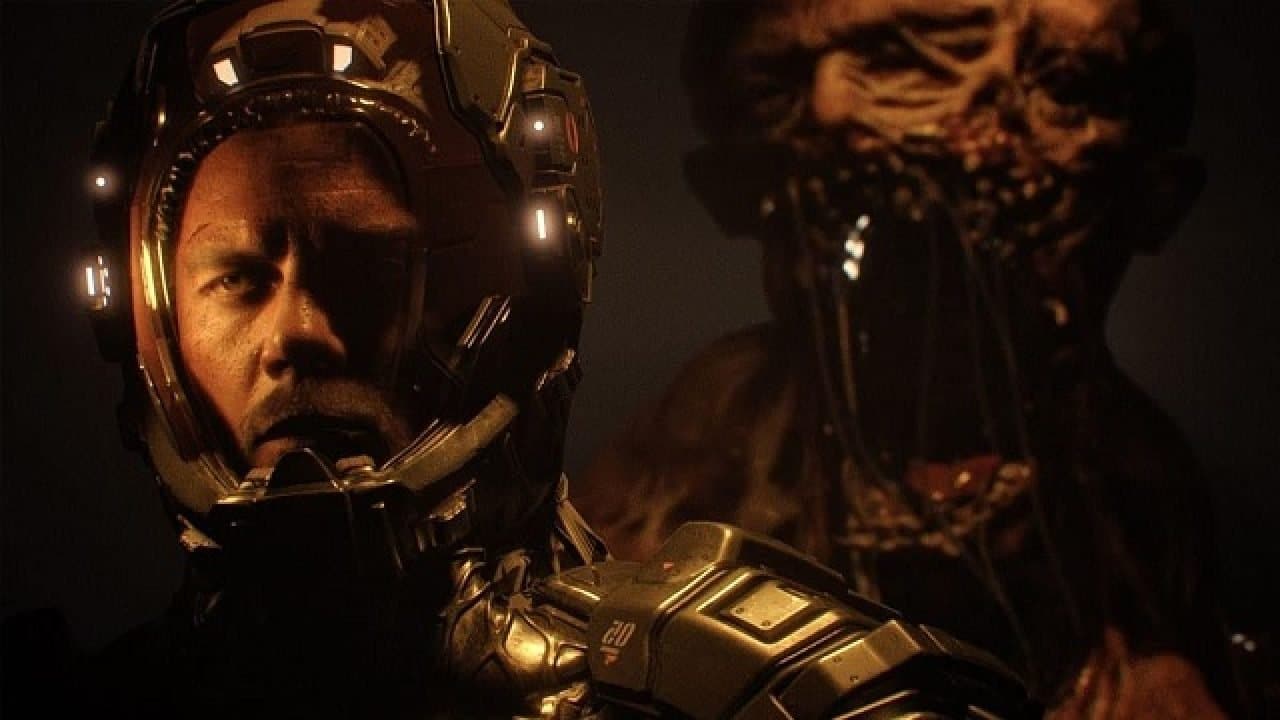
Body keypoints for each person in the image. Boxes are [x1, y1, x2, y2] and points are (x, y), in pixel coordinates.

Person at [56, 1, 1032, 718]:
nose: (294, 332)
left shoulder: (781, 698)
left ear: (526, 299)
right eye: (235, 277)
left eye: (367, 268)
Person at [577, 0, 1241, 716]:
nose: (834, 105)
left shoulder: (1139, 499)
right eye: (785, 84)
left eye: (917, 56)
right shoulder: (712, 435)